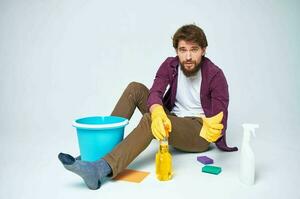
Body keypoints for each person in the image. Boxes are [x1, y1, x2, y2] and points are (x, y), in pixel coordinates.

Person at [58, 24, 238, 190]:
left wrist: (214, 128)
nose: (188, 56)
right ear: (177, 51)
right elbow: (155, 92)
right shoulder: (170, 65)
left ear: (203, 50)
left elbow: (219, 114)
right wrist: (158, 110)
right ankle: (102, 153)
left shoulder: (215, 75)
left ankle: (99, 169)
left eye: (194, 50)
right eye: (183, 50)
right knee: (135, 89)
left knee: (150, 119)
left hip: (198, 131)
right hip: (173, 119)